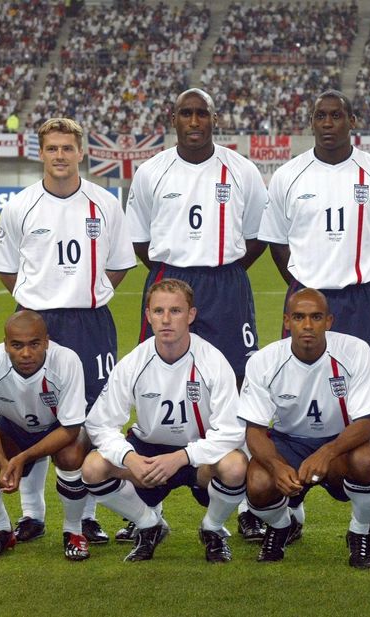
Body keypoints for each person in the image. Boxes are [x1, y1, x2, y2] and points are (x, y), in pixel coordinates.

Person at [258, 89, 370, 544]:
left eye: (336, 115)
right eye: (320, 116)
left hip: (361, 300)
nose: (327, 123)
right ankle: (289, 502)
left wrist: (366, 287)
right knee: (293, 396)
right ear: (312, 122)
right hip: (306, 303)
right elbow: (276, 242)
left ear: (351, 120)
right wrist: (305, 291)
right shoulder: (288, 175)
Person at [125, 87, 268, 542]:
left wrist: (218, 268)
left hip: (226, 283)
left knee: (240, 383)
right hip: (169, 277)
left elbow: (257, 236)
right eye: (185, 113)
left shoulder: (241, 169)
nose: (193, 120)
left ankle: (242, 500)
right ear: (173, 118)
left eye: (201, 113)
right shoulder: (151, 171)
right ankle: (151, 501)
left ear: (213, 117)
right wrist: (178, 274)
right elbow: (141, 240)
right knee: (157, 379)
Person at [0, 117, 135, 545]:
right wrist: (36, 300)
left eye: (67, 148)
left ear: (80, 152)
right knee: (30, 415)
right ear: (41, 153)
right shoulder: (20, 205)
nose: (59, 156)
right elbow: (7, 270)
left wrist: (88, 292)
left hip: (90, 323)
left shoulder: (104, 203)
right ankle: (32, 513)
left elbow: (120, 262)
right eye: (52, 148)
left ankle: (87, 515)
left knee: (90, 417)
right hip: (37, 323)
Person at [81, 279, 249, 563]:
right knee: (93, 467)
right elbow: (100, 423)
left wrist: (183, 457)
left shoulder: (213, 361)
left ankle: (213, 529)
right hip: (148, 453)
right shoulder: (134, 363)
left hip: (199, 455)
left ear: (191, 315)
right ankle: (149, 525)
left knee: (235, 466)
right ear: (148, 316)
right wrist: (129, 457)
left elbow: (232, 431)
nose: (166, 319)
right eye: (158, 311)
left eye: (176, 311)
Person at [238, 289, 370, 569]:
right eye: (299, 317)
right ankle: (282, 526)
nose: (308, 325)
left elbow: (367, 422)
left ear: (329, 321)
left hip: (341, 442)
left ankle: (360, 531)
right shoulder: (264, 361)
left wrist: (328, 452)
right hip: (290, 442)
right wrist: (274, 465)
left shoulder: (355, 351)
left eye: (316, 317)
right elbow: (254, 429)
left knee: (367, 459)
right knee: (258, 483)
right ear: (286, 321)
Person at [0, 310, 92, 561]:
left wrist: (22, 458)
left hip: (57, 429)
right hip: (12, 427)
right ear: (5, 344)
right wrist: (3, 464)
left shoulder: (66, 361)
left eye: (34, 344)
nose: (26, 353)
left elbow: (71, 428)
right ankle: (1, 528)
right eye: (17, 345)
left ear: (47, 342)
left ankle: (74, 531)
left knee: (72, 455)